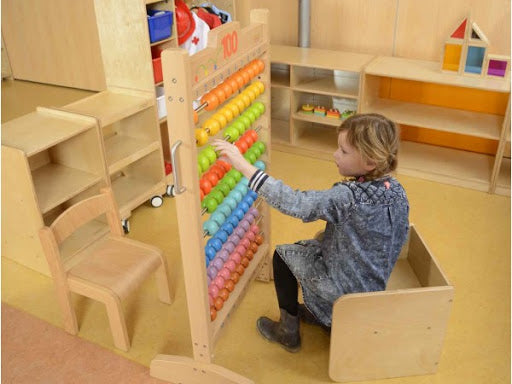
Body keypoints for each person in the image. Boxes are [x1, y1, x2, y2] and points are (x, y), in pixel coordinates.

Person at [212, 113, 409, 353]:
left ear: (369, 162)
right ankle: (325, 314)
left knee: (282, 256)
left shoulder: (347, 197)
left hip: (343, 291)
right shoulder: (397, 191)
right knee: (318, 238)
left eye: (344, 151)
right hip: (371, 287)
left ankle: (289, 332)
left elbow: (297, 203)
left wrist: (242, 164)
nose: (335, 155)